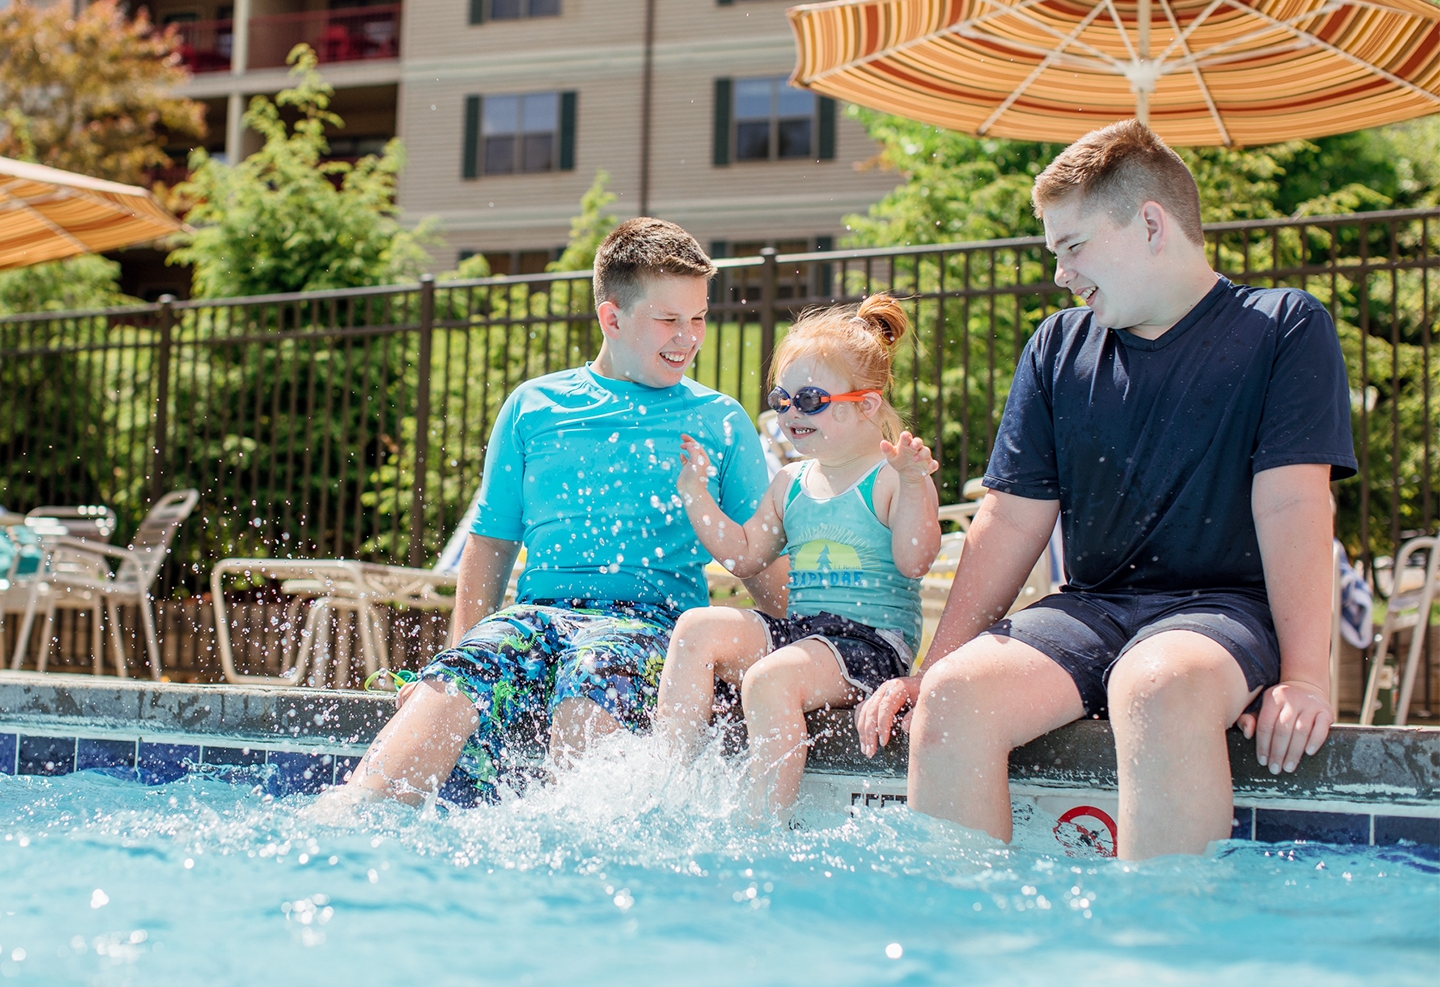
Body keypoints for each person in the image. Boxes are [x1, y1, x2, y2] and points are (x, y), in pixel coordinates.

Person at [855, 120, 1356, 859]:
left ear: (1151, 224)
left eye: (1073, 246)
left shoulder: (1281, 328)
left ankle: (1152, 962)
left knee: (1155, 684)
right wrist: (931, 668)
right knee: (957, 696)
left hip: (1224, 612)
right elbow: (1010, 521)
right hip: (1092, 611)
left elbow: (1295, 505)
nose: (1060, 272)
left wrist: (1307, 677)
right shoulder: (1059, 346)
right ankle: (959, 957)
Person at [327, 218, 783, 805]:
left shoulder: (720, 422)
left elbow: (758, 558)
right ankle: (345, 827)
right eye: (668, 319)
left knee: (588, 693)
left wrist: (832, 634)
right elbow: (491, 542)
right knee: (443, 694)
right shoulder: (534, 406)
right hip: (535, 618)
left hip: (648, 628)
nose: (689, 336)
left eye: (698, 317)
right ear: (611, 318)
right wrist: (462, 651)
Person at [655, 295, 941, 814]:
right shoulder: (790, 482)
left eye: (810, 400)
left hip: (871, 645)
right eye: (782, 399)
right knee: (695, 628)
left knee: (770, 679)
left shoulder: (891, 478)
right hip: (807, 634)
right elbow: (744, 557)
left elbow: (914, 561)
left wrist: (917, 483)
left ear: (866, 404)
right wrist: (696, 493)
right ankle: (666, 791)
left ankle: (760, 829)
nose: (790, 412)